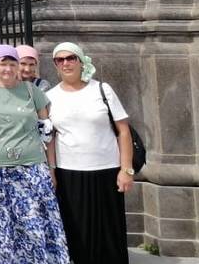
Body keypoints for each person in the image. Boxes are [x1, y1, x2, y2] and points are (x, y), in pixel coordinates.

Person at [0, 45, 69, 264]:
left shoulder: (32, 91)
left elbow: (47, 132)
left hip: (32, 169)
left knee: (34, 227)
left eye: (13, 63)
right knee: (0, 231)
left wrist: (51, 169)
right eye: (3, 63)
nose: (8, 68)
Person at [48, 42, 134, 264]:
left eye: (71, 58)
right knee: (78, 235)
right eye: (60, 60)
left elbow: (123, 131)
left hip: (107, 171)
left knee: (110, 233)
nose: (66, 63)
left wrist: (126, 170)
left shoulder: (102, 90)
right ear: (56, 65)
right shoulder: (50, 97)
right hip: (70, 173)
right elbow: (49, 138)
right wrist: (52, 171)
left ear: (81, 61)